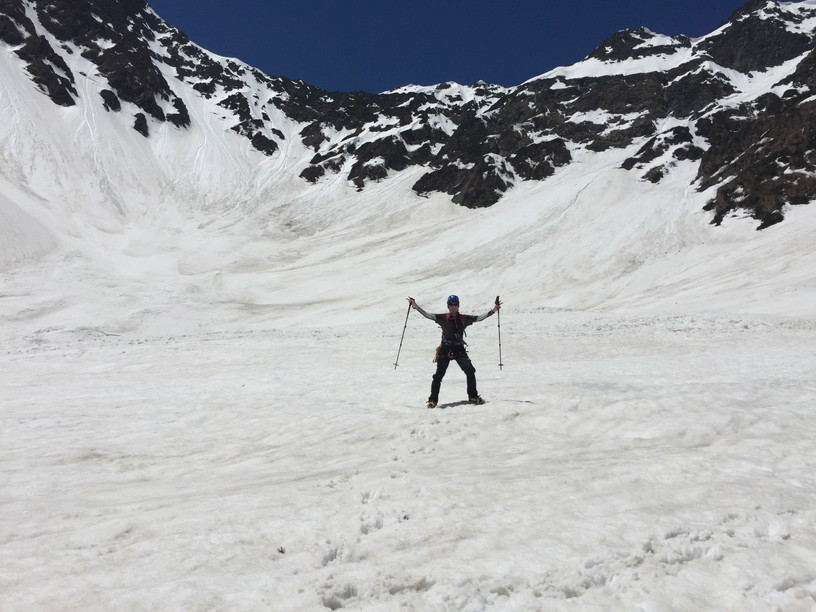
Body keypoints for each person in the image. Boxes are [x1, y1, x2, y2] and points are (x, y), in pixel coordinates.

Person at [407, 294, 501, 408]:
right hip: (445, 349)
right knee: (438, 376)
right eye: (451, 304)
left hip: (458, 349)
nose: (453, 307)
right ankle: (432, 400)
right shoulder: (443, 318)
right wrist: (415, 306)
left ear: (458, 305)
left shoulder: (464, 318)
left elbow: (480, 318)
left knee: (470, 371)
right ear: (448, 305)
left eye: (455, 304)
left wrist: (494, 310)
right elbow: (427, 315)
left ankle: (472, 396)